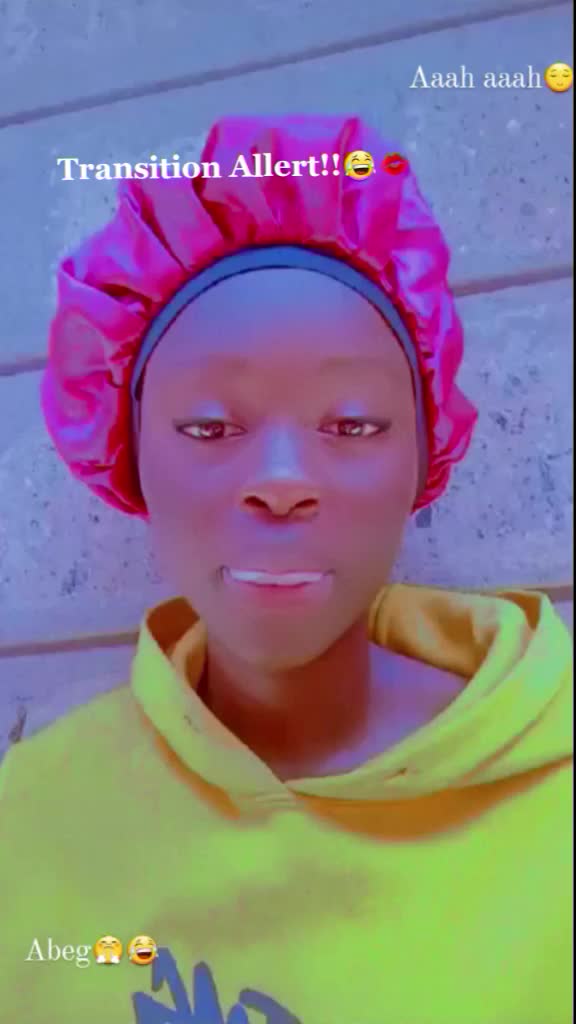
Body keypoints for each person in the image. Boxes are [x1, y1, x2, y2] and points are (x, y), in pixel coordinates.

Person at [0, 116, 571, 1024]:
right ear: (126, 456)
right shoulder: (27, 818)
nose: (280, 480)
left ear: (426, 455)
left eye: (351, 425)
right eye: (208, 427)